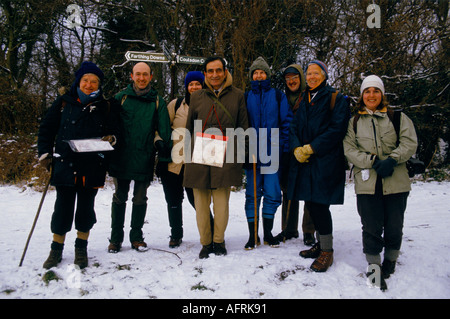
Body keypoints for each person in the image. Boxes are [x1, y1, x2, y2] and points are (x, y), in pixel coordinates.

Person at [38, 61, 120, 269]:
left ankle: (81, 247)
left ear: (99, 85)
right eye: (86, 80)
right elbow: (47, 128)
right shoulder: (64, 102)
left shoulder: (106, 105)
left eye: (94, 81)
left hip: (91, 166)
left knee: (85, 209)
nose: (89, 85)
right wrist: (45, 153)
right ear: (78, 81)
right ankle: (56, 249)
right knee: (62, 209)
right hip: (65, 163)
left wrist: (111, 139)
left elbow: (115, 132)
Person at [343, 75, 418, 290]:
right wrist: (372, 161)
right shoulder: (354, 122)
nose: (371, 95)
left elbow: (409, 142)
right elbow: (349, 149)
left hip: (396, 180)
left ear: (382, 94)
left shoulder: (398, 118)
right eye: (367, 91)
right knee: (371, 227)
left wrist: (393, 158)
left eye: (376, 91)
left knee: (394, 225)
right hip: (367, 183)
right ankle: (374, 268)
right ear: (362, 95)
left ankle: (390, 261)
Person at [287, 60, 350, 272]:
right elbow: (294, 125)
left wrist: (312, 148)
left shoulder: (336, 98)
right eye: (309, 73)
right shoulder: (305, 98)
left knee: (320, 205)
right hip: (305, 161)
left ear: (324, 76)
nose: (312, 77)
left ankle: (327, 252)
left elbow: (337, 129)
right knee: (312, 203)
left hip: (325, 161)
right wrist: (296, 147)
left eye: (316, 73)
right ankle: (321, 244)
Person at [183, 56, 249, 258]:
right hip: (199, 153)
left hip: (226, 153)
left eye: (218, 70)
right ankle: (206, 242)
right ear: (205, 74)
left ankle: (219, 241)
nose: (214, 75)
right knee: (201, 204)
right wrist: (187, 157)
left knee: (221, 203)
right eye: (210, 71)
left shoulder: (238, 96)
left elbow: (243, 127)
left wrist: (242, 155)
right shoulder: (196, 97)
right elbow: (189, 129)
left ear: (225, 71)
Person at [107, 62, 171, 253]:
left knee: (140, 199)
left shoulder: (157, 101)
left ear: (151, 76)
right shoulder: (121, 98)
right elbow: (109, 125)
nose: (141, 78)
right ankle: (116, 239)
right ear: (132, 76)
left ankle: (136, 237)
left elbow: (164, 130)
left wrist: (161, 146)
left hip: (144, 157)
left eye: (145, 74)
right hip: (122, 157)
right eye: (138, 74)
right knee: (120, 197)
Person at [156, 71, 213, 248]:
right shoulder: (176, 105)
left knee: (197, 200)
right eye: (191, 84)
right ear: (186, 87)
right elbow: (161, 127)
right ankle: (176, 234)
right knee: (173, 201)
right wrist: (158, 141)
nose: (194, 87)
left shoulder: (210, 105)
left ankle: (212, 232)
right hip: (174, 163)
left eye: (198, 84)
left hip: (196, 164)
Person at [243, 57, 292, 249]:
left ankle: (268, 233)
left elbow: (286, 123)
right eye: (255, 73)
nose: (259, 75)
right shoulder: (246, 97)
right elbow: (242, 123)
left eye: (262, 72)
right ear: (251, 76)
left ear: (267, 75)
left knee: (272, 192)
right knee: (252, 194)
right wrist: (245, 151)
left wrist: (285, 149)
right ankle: (252, 235)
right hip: (253, 151)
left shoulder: (278, 96)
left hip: (273, 150)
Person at [275, 64, 316, 246]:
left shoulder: (310, 97)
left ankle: (309, 231)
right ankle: (288, 228)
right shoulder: (281, 99)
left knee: (308, 189)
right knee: (287, 189)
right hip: (287, 149)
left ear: (301, 78)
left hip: (307, 147)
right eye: (288, 78)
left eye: (295, 78)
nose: (291, 81)